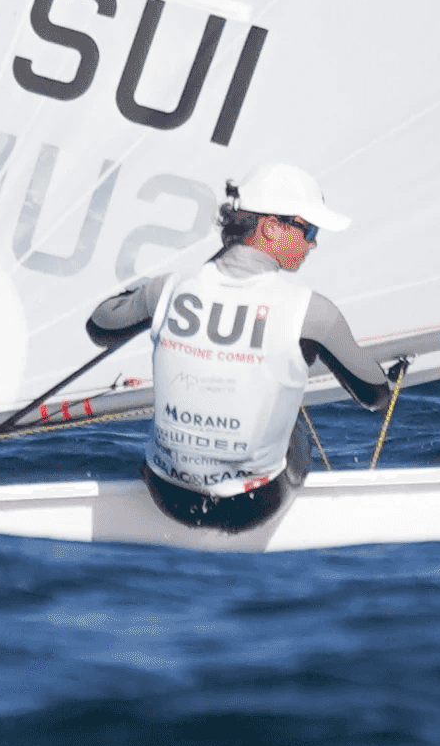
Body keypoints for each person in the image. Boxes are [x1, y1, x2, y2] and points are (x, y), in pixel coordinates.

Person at [84, 161, 403, 534]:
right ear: (270, 228)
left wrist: (147, 291)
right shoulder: (313, 313)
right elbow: (375, 398)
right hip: (253, 507)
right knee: (291, 424)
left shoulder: (169, 289)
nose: (313, 242)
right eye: (309, 229)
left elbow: (100, 327)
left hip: (167, 496)